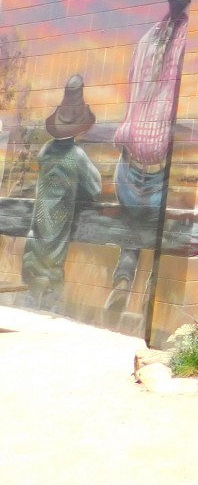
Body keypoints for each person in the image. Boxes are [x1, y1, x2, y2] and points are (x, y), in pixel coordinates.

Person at [105, 0, 198, 317]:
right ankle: (151, 292)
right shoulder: (191, 38)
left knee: (132, 227)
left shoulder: (146, 39)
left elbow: (133, 92)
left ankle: (124, 275)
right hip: (160, 167)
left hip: (128, 164)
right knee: (163, 231)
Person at [23, 75, 102, 309]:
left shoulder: (45, 151)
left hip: (34, 245)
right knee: (51, 302)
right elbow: (95, 188)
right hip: (54, 254)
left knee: (30, 301)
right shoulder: (76, 156)